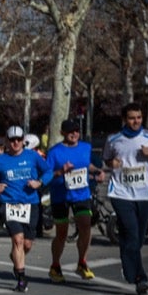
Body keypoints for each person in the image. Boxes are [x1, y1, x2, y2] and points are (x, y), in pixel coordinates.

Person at [104, 103, 148, 295]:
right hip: (121, 192)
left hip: (145, 193)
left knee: (137, 238)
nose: (136, 121)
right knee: (131, 232)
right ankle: (140, 278)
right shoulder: (114, 139)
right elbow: (106, 159)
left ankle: (128, 261)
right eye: (132, 118)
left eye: (138, 117)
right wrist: (111, 163)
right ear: (124, 119)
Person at [0, 126, 51, 292]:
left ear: (23, 140)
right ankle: (21, 278)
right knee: (17, 239)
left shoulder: (33, 156)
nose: (16, 142)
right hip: (9, 204)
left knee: (27, 244)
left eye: (19, 139)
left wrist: (39, 182)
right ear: (7, 141)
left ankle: (16, 257)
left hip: (30, 203)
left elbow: (48, 171)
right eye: (12, 139)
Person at [45, 119, 105, 282]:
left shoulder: (86, 147)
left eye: (77, 131)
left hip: (81, 194)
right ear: (62, 133)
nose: (74, 134)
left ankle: (82, 262)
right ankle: (55, 266)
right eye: (70, 131)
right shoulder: (54, 152)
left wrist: (98, 171)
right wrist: (61, 171)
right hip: (60, 196)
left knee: (86, 226)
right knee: (62, 233)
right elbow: (46, 175)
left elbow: (89, 165)